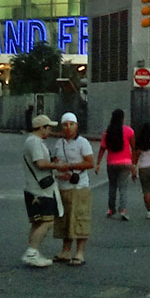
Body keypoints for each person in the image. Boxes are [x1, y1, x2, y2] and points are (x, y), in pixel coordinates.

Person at [22, 113, 68, 268]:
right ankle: (32, 252)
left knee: (38, 222)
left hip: (34, 187)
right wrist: (57, 166)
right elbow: (40, 163)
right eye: (48, 128)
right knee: (47, 221)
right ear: (41, 128)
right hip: (40, 189)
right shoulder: (35, 142)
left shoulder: (32, 141)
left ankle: (33, 251)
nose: (50, 131)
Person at [51, 112, 94, 266]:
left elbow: (90, 163)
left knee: (80, 218)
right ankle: (66, 250)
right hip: (63, 186)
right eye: (65, 125)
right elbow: (55, 160)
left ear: (76, 125)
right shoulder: (59, 143)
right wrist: (59, 171)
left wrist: (71, 167)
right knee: (65, 219)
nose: (68, 128)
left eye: (71, 124)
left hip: (79, 186)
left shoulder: (83, 143)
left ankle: (80, 252)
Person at [94, 108, 135, 220]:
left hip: (111, 163)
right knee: (123, 187)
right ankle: (123, 210)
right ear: (122, 118)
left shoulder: (108, 132)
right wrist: (134, 164)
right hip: (126, 163)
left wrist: (97, 163)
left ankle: (111, 209)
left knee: (112, 186)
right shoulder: (129, 131)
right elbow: (134, 147)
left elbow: (102, 149)